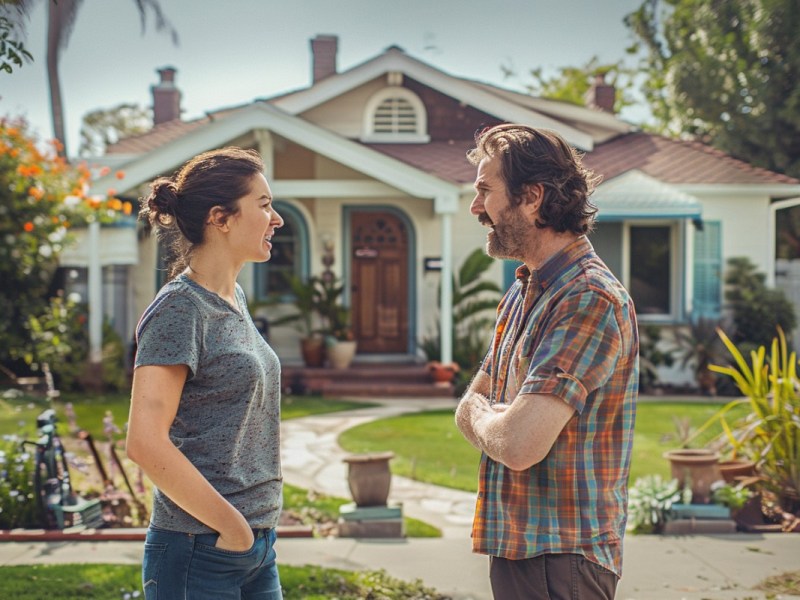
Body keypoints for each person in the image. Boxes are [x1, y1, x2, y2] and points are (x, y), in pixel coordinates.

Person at [455, 124, 638, 599]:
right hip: (524, 551)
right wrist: (486, 414)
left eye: (484, 190)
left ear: (532, 197)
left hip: (561, 560)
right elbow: (476, 410)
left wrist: (481, 412)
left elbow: (518, 444)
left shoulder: (587, 298)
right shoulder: (523, 291)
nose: (476, 207)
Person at [126, 147, 285, 599]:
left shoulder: (232, 298)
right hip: (199, 547)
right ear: (222, 218)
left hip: (253, 546)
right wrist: (231, 527)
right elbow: (144, 441)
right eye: (264, 204)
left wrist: (249, 532)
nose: (275, 219)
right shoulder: (180, 309)